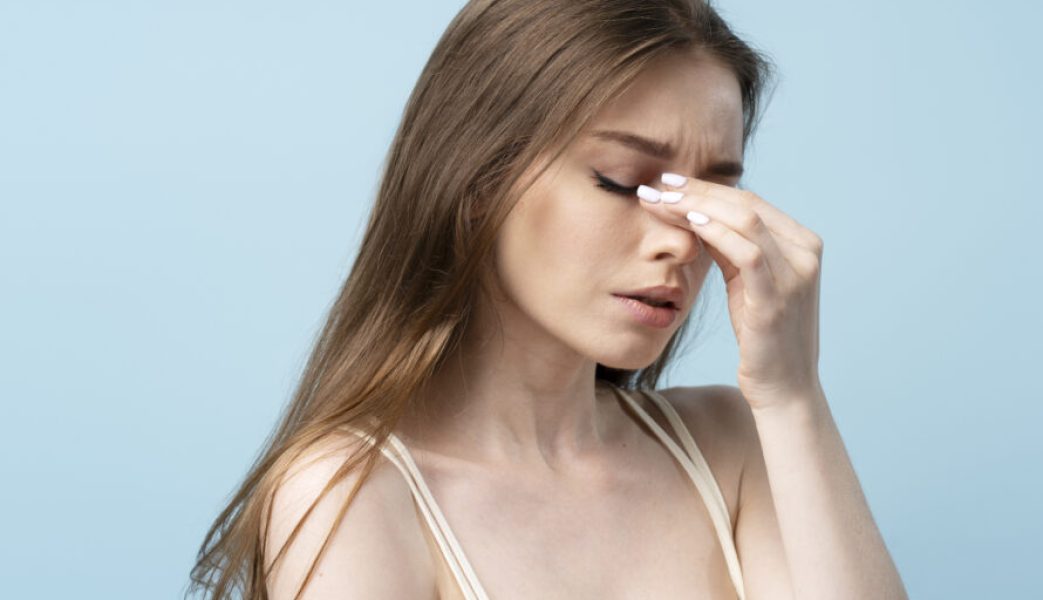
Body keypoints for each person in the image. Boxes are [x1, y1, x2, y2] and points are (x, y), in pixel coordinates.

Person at [189, 1, 908, 598]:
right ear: (478, 185)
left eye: (712, 195)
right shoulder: (348, 493)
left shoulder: (730, 443)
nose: (683, 244)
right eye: (626, 182)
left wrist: (792, 395)